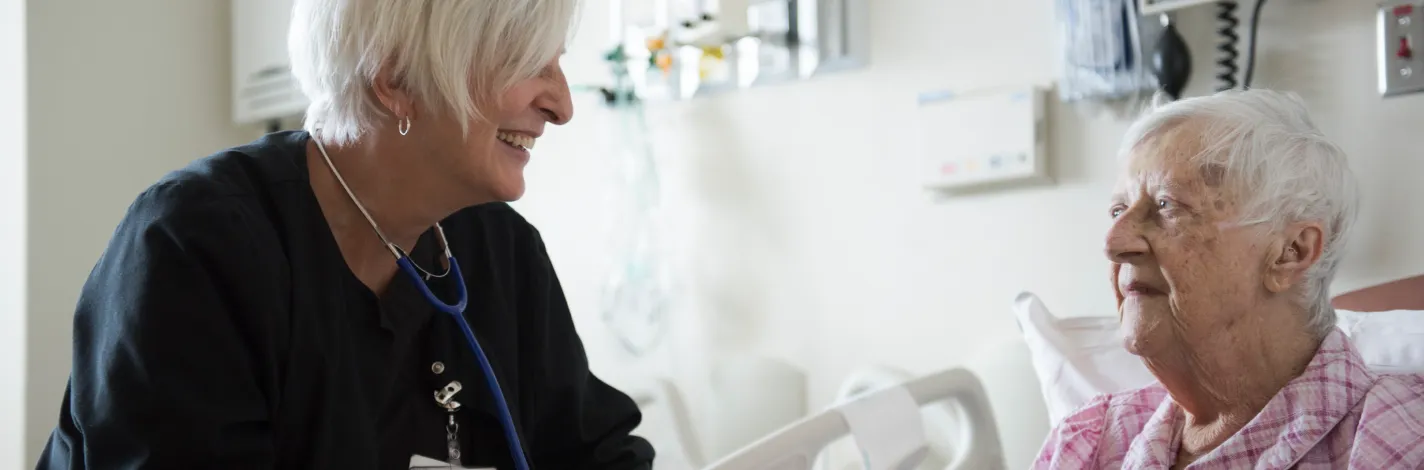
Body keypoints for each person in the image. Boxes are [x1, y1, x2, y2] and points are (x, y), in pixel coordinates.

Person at [36, 0, 656, 468]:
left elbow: (594, 453)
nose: (562, 105)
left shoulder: (501, 252)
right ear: (394, 80)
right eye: (528, 64)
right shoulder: (193, 248)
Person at [1034, 90, 1424, 468]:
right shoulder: (1089, 441)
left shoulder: (1398, 439)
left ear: (1291, 252)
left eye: (1168, 204)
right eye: (1118, 209)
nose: (1114, 242)